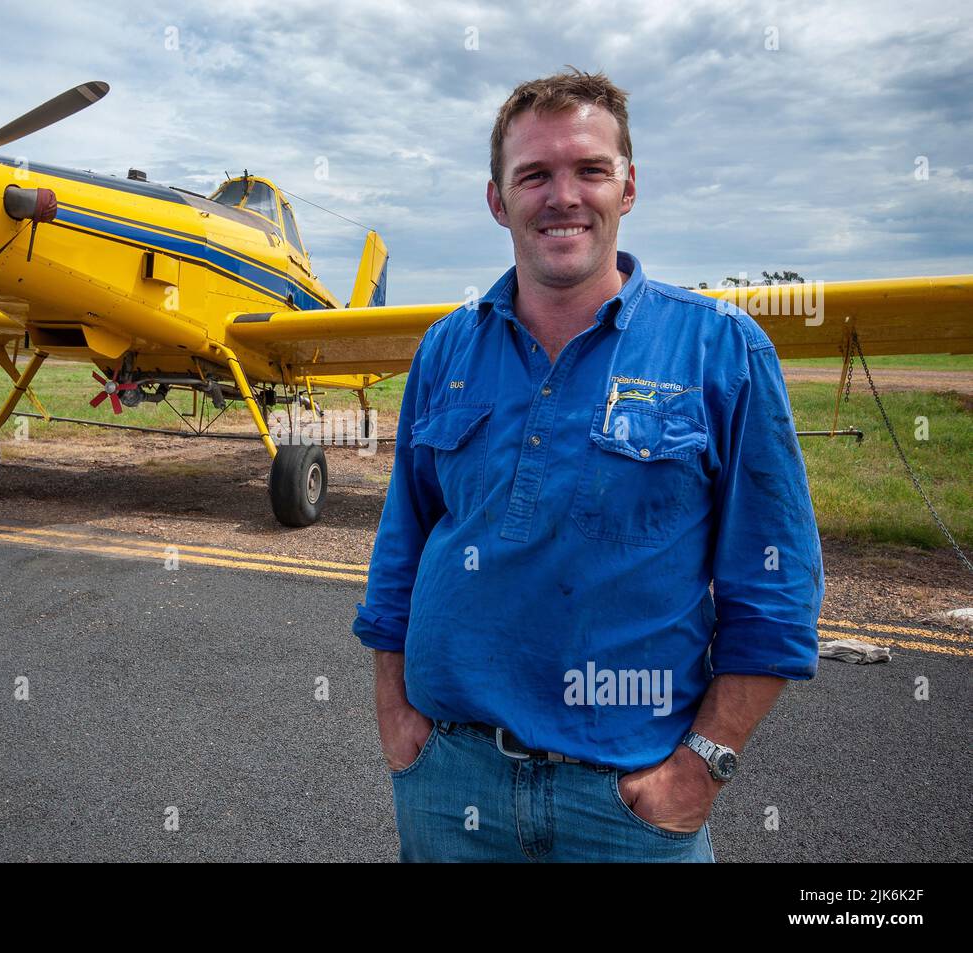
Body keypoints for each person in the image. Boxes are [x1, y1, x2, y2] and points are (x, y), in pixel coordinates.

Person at [352, 68, 824, 862]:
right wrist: (397, 718)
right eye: (534, 174)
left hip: (630, 801)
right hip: (448, 785)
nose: (562, 195)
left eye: (589, 170)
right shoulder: (446, 347)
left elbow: (775, 584)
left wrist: (701, 767)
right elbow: (405, 540)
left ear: (628, 187)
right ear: (499, 200)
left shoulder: (723, 349)